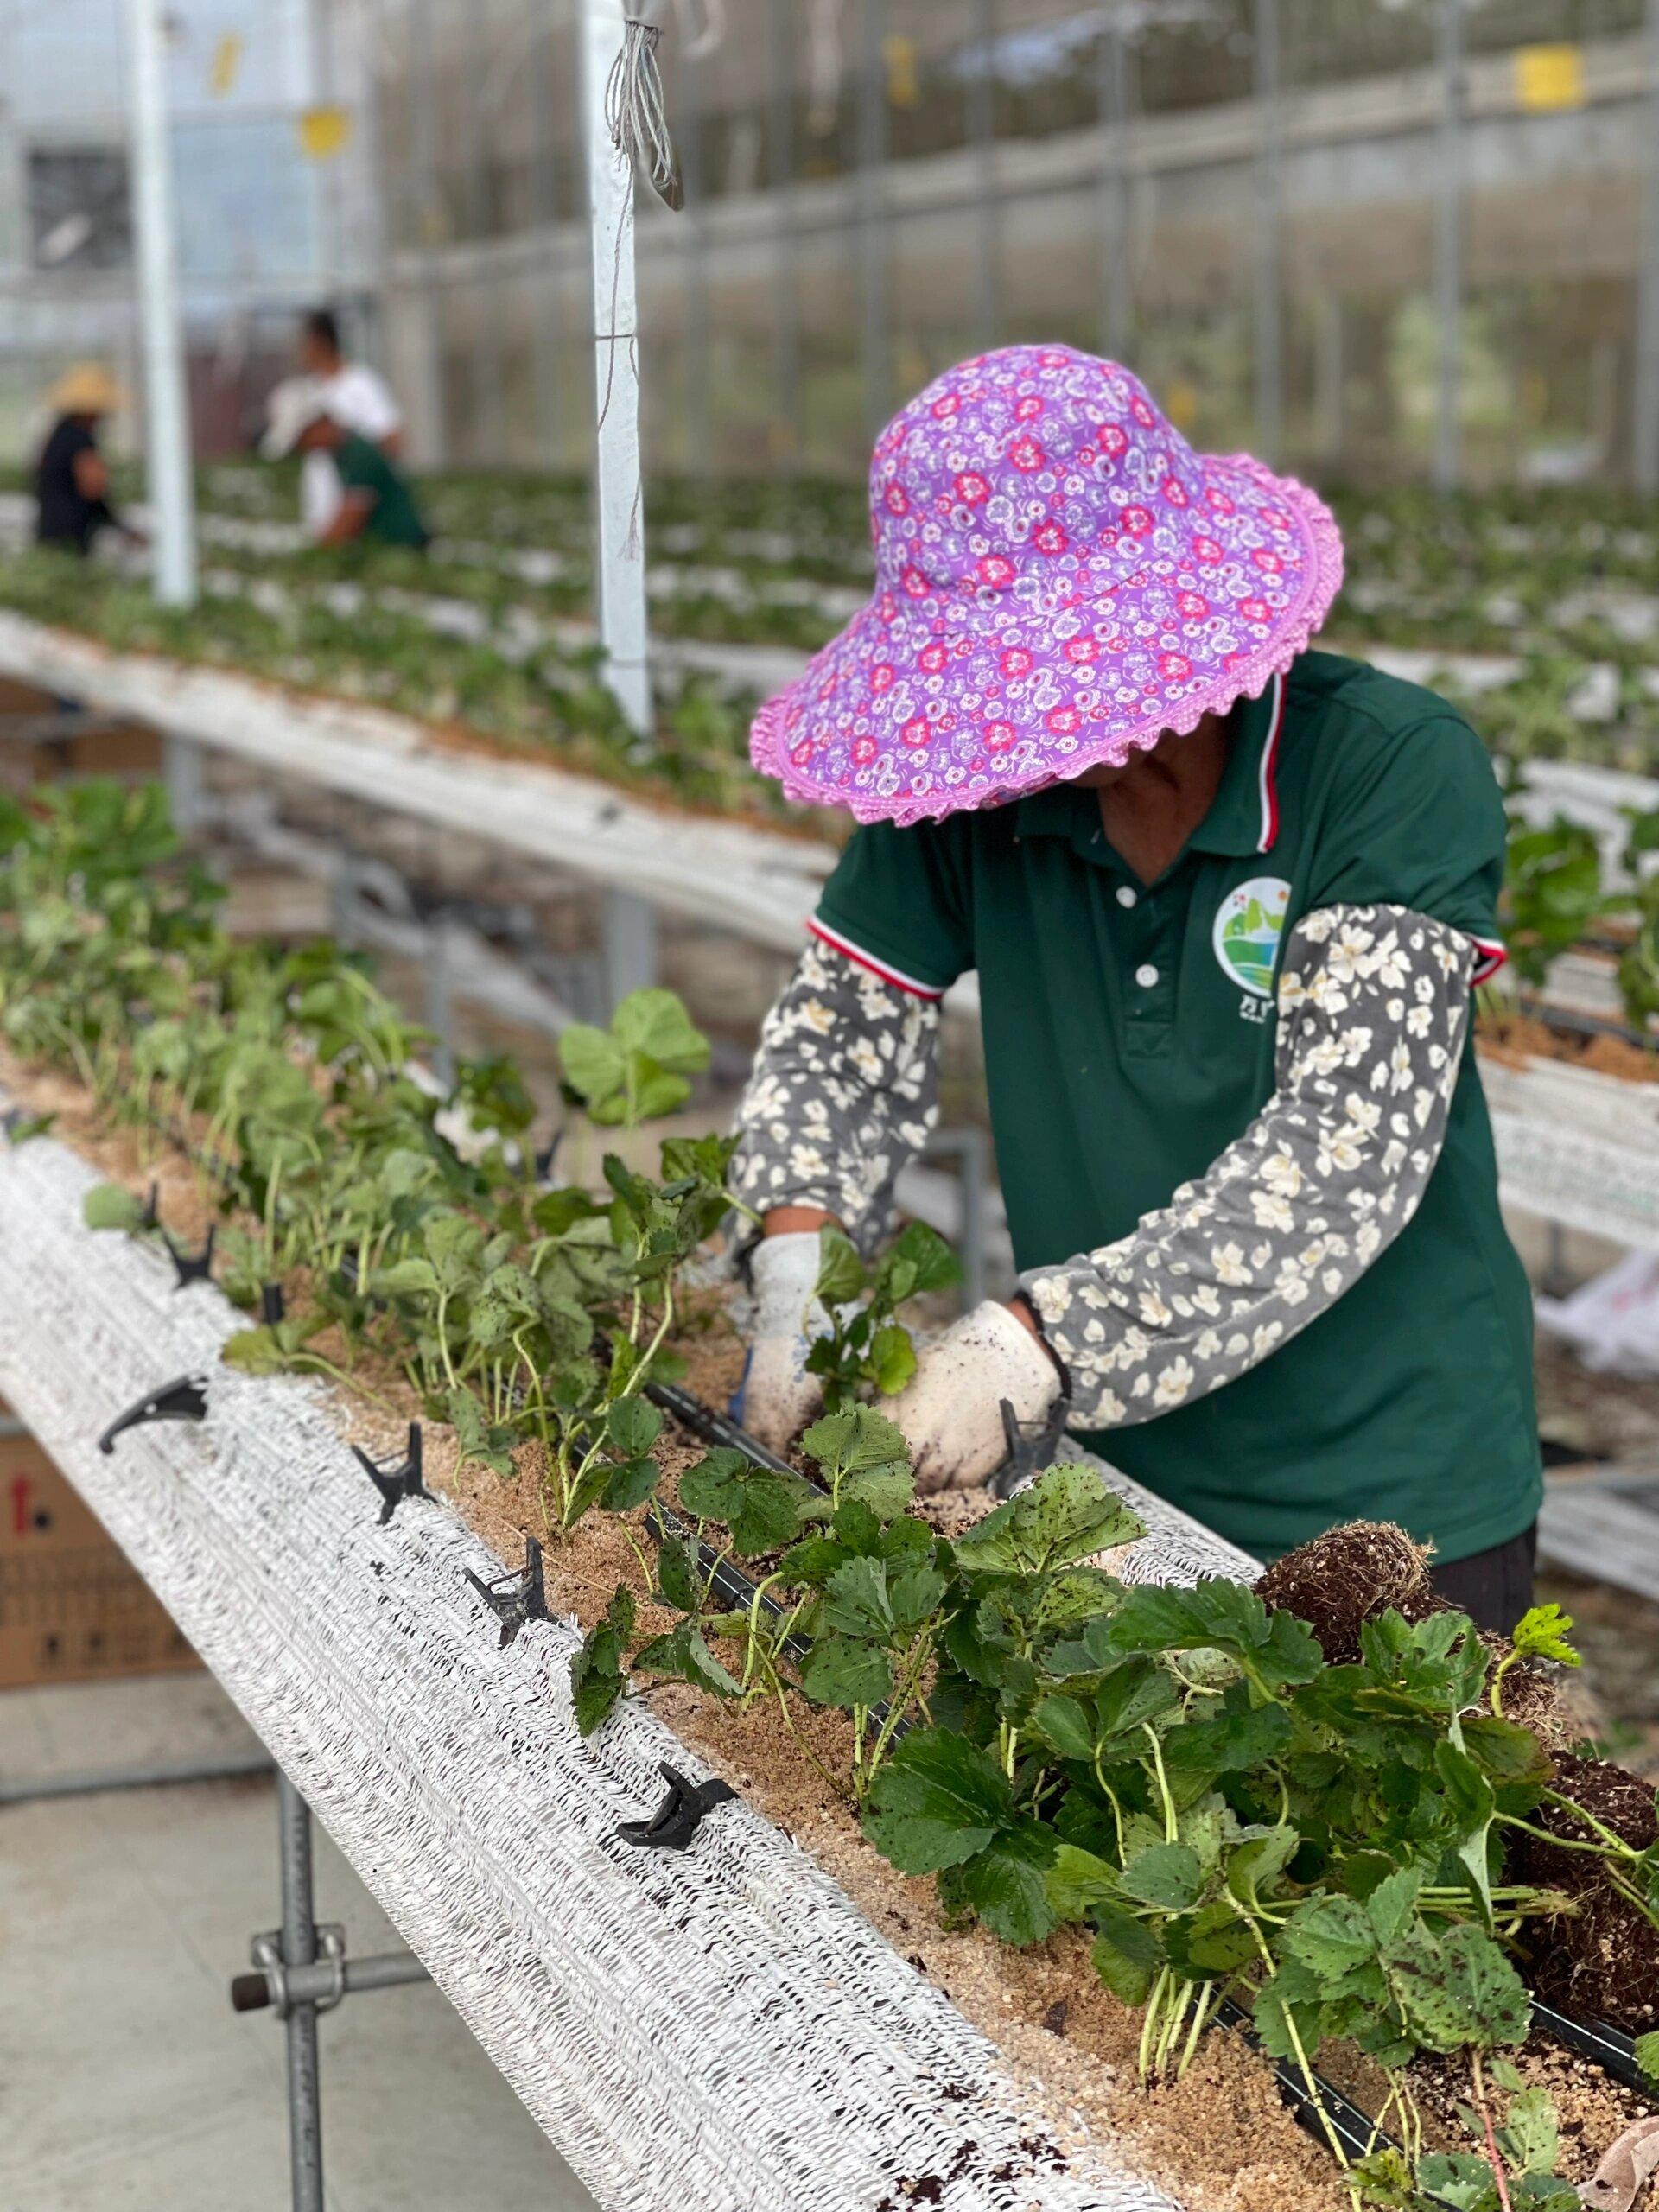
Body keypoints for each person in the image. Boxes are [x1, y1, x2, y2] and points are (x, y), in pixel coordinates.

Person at [731, 343, 1542, 1634]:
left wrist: (1035, 1343)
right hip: (1105, 1486)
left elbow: (1344, 1156)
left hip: (1394, 1501)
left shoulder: (1386, 768)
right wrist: (798, 1262)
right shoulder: (972, 796)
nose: (1026, 731)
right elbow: (839, 1044)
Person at [260, 382, 429, 551]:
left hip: (406, 549)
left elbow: (351, 516)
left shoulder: (359, 456)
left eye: (302, 439)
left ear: (318, 424)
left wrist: (316, 556)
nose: (302, 448)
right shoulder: (345, 454)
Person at [294, 308, 404, 543]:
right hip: (324, 504)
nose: (300, 353)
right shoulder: (311, 389)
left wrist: (364, 495)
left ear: (321, 343)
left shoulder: (359, 383)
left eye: (304, 344)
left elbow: (393, 438)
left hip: (357, 513)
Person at [33, 365, 143, 556]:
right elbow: (92, 488)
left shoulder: (57, 436)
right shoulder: (81, 441)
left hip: (49, 528)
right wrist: (118, 525)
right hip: (71, 533)